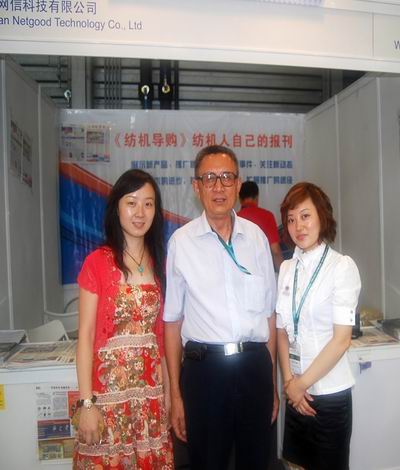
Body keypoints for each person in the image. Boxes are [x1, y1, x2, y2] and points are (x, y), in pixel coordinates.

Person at [163, 145, 278, 470]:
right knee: (208, 462)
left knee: (256, 461)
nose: (218, 186)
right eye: (209, 178)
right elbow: (172, 322)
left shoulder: (256, 238)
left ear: (238, 185)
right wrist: (176, 396)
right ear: (196, 186)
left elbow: (269, 315)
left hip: (254, 367)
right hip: (205, 373)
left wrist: (271, 381)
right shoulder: (181, 243)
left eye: (227, 177)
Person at [73, 169, 174, 469]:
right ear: (116, 208)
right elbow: (85, 337)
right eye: (131, 202)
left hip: (149, 398)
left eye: (148, 204)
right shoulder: (97, 262)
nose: (140, 212)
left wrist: (169, 393)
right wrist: (86, 403)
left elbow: (160, 339)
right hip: (108, 398)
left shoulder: (160, 263)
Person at [276, 182, 361, 470]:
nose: (297, 226)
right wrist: (290, 382)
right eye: (290, 219)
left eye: (305, 216)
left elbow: (341, 340)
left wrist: (300, 385)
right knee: (295, 465)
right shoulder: (287, 268)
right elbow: (282, 331)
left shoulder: (341, 267)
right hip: (296, 394)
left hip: (329, 396)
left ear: (322, 216)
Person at [238, 180, 284, 271]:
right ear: (257, 197)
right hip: (263, 273)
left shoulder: (234, 218)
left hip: (240, 273)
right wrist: (283, 273)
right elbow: (275, 251)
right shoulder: (267, 216)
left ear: (239, 198)